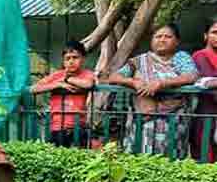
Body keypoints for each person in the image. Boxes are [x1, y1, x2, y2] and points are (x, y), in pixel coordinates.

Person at [105, 23, 199, 156]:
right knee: (140, 157)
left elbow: (191, 76)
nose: (162, 39)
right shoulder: (140, 61)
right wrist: (133, 82)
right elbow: (114, 77)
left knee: (170, 159)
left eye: (168, 36)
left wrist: (162, 83)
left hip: (173, 121)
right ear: (151, 40)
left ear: (177, 41)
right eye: (158, 36)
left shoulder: (181, 58)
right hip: (142, 120)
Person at [30, 40, 96, 147]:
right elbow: (34, 89)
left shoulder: (86, 74)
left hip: (79, 126)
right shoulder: (56, 75)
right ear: (63, 61)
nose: (71, 61)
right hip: (57, 127)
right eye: (67, 58)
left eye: (75, 57)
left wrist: (67, 79)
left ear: (83, 59)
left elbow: (88, 84)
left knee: (79, 157)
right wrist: (57, 85)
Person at [191, 17, 217, 163]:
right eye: (215, 32)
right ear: (205, 35)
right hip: (206, 114)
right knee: (206, 158)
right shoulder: (200, 56)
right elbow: (208, 80)